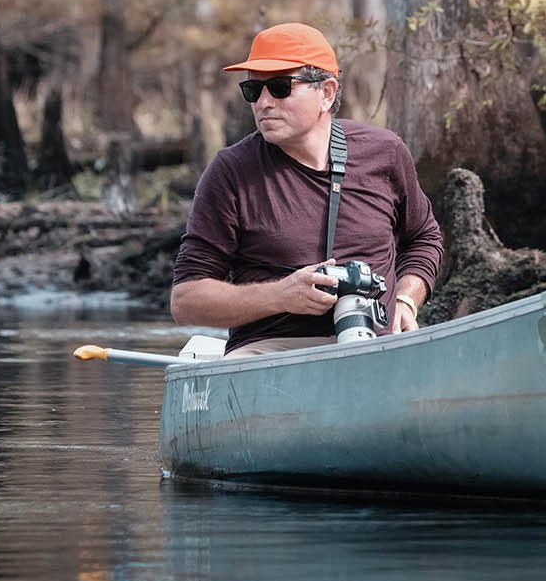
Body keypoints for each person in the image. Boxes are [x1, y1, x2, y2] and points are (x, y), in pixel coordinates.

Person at [172, 23, 443, 355]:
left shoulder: (384, 152)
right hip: (271, 352)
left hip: (376, 348)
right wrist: (281, 295)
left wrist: (405, 300)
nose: (264, 103)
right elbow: (186, 300)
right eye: (253, 91)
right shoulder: (230, 171)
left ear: (327, 93)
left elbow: (424, 238)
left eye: (280, 87)